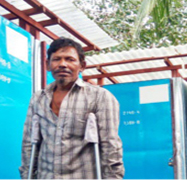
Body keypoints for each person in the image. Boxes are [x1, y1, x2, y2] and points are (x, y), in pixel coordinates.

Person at [19, 37, 124, 179]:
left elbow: (110, 147)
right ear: (47, 65)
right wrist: (27, 176)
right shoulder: (38, 98)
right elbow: (29, 144)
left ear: (82, 66)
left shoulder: (100, 97)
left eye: (70, 59)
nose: (62, 64)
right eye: (57, 59)